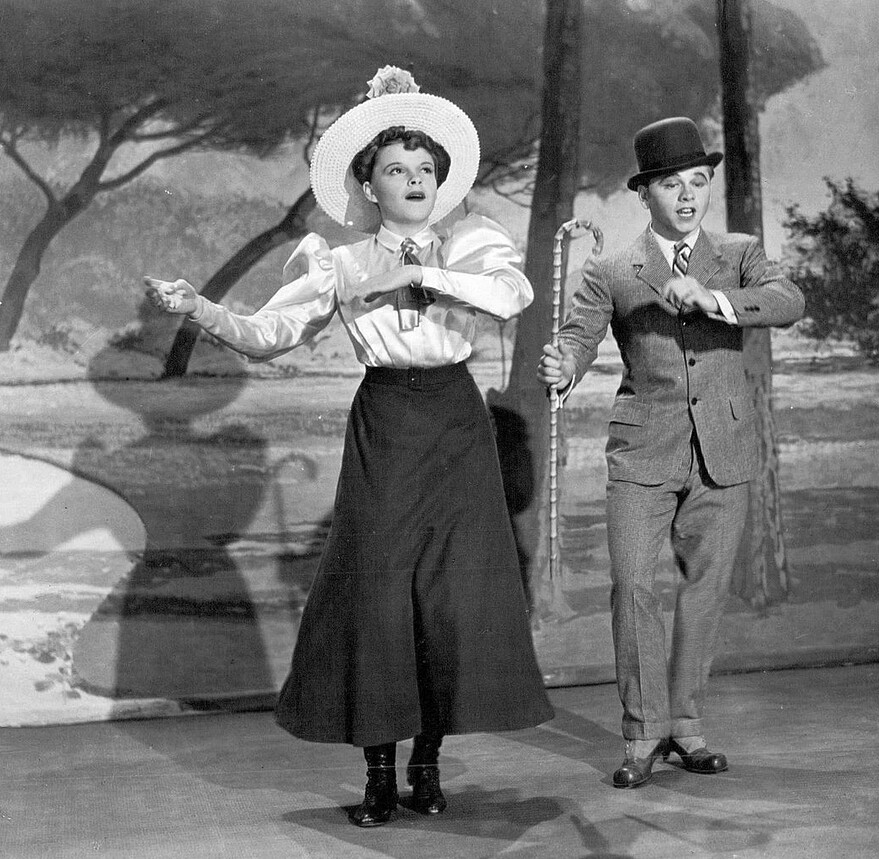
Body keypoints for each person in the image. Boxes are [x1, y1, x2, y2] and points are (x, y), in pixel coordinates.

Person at [145, 65, 553, 827]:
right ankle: (378, 772)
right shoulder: (339, 260)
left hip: (456, 422)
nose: (415, 180)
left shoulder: (472, 243)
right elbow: (269, 334)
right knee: (377, 594)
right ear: (368, 183)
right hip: (388, 422)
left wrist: (425, 273)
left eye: (425, 168)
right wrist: (199, 307)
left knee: (447, 597)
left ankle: (426, 764)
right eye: (396, 169)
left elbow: (510, 296)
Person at [537, 116, 804, 789]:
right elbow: (578, 338)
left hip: (723, 450)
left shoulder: (739, 253)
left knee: (704, 590)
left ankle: (685, 726)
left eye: (698, 181)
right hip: (643, 451)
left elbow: (787, 300)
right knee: (632, 585)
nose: (687, 196)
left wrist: (713, 298)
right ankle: (641, 732)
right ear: (644, 193)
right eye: (670, 184)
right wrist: (563, 367)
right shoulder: (612, 268)